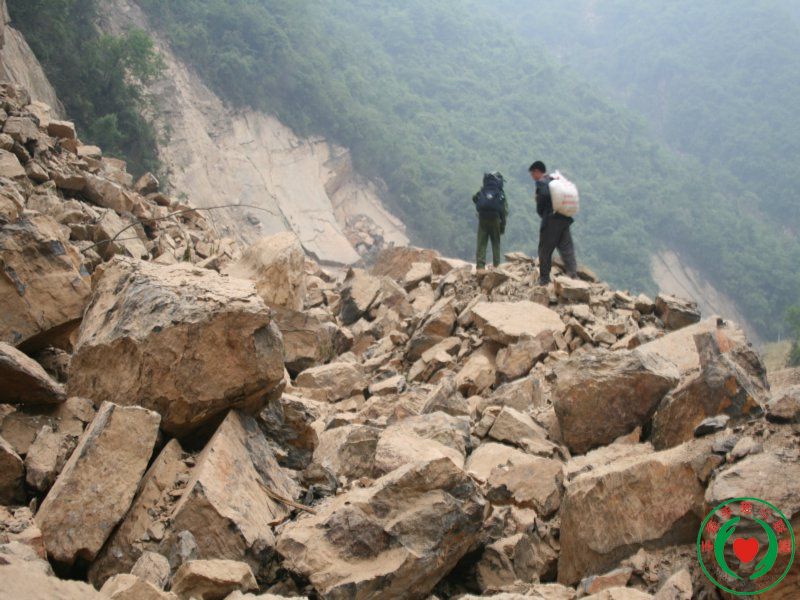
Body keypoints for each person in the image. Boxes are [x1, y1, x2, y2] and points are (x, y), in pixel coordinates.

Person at [529, 160, 577, 284]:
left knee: (545, 249)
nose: (532, 177)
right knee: (566, 247)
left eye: (532, 173)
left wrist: (541, 209)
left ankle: (544, 279)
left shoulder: (542, 182)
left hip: (551, 220)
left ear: (537, 171)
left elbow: (543, 199)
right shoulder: (554, 179)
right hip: (564, 218)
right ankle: (572, 274)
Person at [473, 171, 508, 269]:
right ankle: (497, 266)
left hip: (482, 217)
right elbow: (504, 211)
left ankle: (480, 267)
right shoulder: (500, 193)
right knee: (495, 242)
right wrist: (502, 226)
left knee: (481, 242)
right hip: (495, 219)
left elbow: (475, 198)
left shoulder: (483, 190)